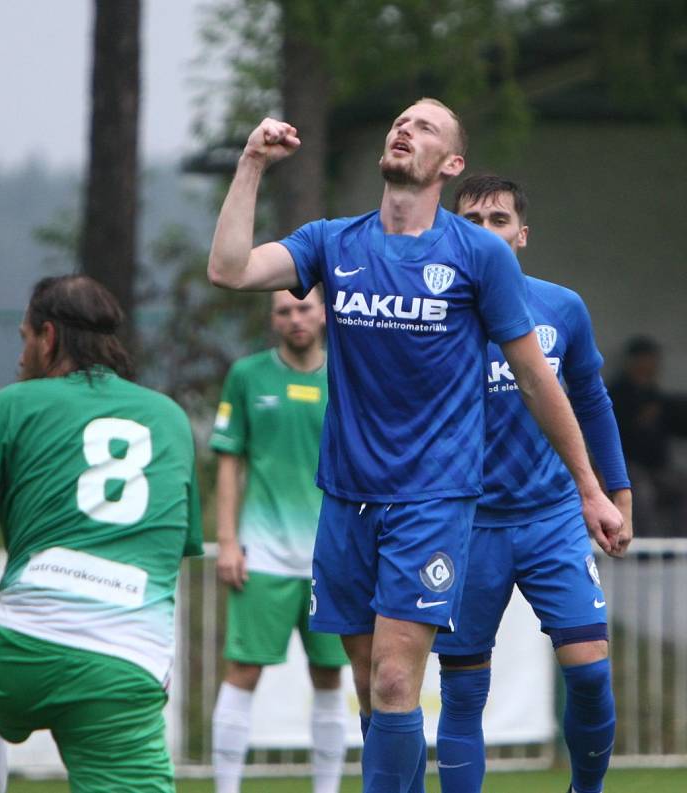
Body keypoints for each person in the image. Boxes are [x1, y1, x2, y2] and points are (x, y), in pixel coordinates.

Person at [207, 100, 623, 793]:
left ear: (451, 164)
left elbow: (535, 377)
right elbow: (229, 269)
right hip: (344, 498)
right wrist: (251, 163)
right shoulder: (333, 242)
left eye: (426, 127)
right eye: (401, 122)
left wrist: (588, 484)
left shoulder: (478, 254)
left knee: (400, 679)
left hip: (434, 498)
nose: (406, 129)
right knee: (376, 693)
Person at [0, 275, 203, 793]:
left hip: (23, 651)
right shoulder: (171, 418)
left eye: (24, 337)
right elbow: (165, 551)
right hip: (127, 662)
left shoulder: (14, 405)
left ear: (48, 337)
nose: (21, 355)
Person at [432, 174, 633, 793]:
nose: (485, 231)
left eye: (498, 220)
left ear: (521, 234)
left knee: (591, 674)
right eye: (470, 221)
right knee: (463, 692)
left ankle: (587, 789)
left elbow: (593, 402)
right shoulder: (434, 315)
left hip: (551, 521)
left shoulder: (561, 306)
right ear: (451, 232)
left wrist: (614, 492)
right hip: (467, 526)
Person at [210, 288, 349, 793]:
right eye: (284, 310)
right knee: (242, 671)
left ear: (324, 313)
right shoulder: (247, 376)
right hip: (262, 554)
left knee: (331, 677)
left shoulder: (346, 374)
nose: (295, 318)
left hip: (332, 559)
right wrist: (227, 541)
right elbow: (229, 461)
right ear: (273, 319)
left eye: (304, 308)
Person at [609, 335, 687, 536]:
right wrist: (639, 419)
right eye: (646, 358)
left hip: (657, 468)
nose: (651, 364)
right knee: (642, 493)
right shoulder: (617, 393)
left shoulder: (655, 394)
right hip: (627, 467)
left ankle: (678, 550)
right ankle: (646, 553)